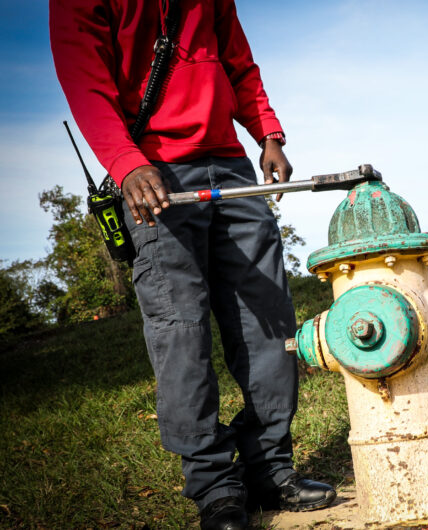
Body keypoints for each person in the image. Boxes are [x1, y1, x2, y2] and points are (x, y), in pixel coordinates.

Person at [49, 1, 335, 528]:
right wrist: (126, 163)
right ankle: (215, 487)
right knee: (180, 331)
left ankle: (271, 470)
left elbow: (237, 59)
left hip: (231, 165)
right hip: (152, 175)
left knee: (268, 321)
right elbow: (84, 81)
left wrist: (266, 132)